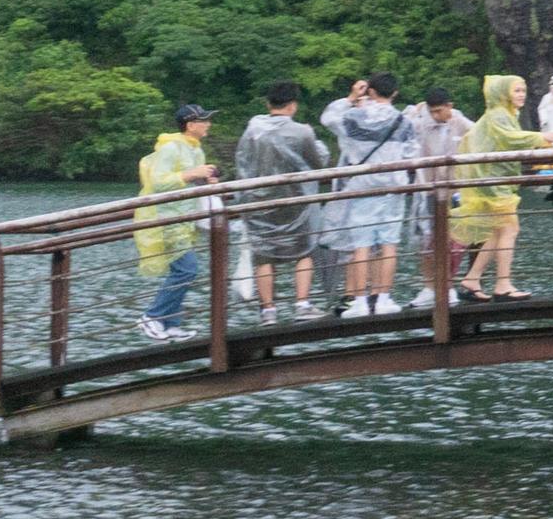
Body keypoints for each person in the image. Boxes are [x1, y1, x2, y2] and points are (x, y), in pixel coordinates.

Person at [320, 73, 413, 317]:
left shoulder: (353, 116)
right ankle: (383, 298)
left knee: (360, 245)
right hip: (393, 188)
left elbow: (327, 118)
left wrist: (351, 97)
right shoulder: (403, 120)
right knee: (389, 244)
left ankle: (359, 301)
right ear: (394, 93)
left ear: (369, 91)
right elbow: (412, 153)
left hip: (362, 187)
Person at [232, 81, 328, 318]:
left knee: (263, 255)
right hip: (296, 201)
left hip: (260, 202)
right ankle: (302, 305)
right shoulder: (302, 131)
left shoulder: (253, 129)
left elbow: (242, 164)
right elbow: (317, 162)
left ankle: (268, 310)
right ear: (293, 106)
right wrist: (321, 146)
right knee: (304, 252)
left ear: (268, 103)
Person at [131, 105, 218, 342]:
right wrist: (191, 175)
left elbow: (190, 182)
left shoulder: (196, 150)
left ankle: (171, 323)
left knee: (184, 270)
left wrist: (204, 180)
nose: (208, 124)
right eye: (204, 120)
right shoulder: (170, 147)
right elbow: (159, 182)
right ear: (190, 125)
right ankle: (152, 316)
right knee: (186, 269)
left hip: (184, 219)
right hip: (165, 218)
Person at [391, 86, 475, 307]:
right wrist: (413, 111)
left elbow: (477, 134)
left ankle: (448, 286)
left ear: (450, 106)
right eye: (433, 111)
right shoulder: (420, 122)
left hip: (454, 189)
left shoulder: (457, 120)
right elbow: (397, 127)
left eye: (441, 110)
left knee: (452, 241)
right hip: (427, 189)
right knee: (426, 242)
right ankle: (429, 287)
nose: (438, 116)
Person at [454, 73, 535, 298]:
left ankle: (472, 279)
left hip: (493, 181)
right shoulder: (499, 115)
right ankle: (503, 285)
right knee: (509, 229)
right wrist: (543, 137)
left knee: (498, 232)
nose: (522, 95)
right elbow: (511, 139)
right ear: (504, 93)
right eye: (517, 91)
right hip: (492, 183)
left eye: (523, 91)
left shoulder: (504, 114)